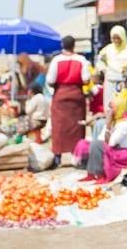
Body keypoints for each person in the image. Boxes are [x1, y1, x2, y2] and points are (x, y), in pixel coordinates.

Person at [76, 82, 127, 185]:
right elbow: (101, 138)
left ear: (119, 108)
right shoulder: (114, 121)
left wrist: (108, 125)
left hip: (122, 154)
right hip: (113, 149)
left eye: (113, 108)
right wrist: (108, 126)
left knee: (97, 145)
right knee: (84, 144)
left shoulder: (125, 124)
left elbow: (111, 143)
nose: (110, 111)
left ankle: (101, 175)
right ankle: (91, 174)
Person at [46, 35, 91, 167]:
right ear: (74, 45)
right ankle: (77, 156)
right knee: (76, 127)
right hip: (76, 96)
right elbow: (86, 79)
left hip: (60, 95)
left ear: (62, 46)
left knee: (59, 126)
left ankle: (57, 157)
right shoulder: (81, 60)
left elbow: (50, 81)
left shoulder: (56, 60)